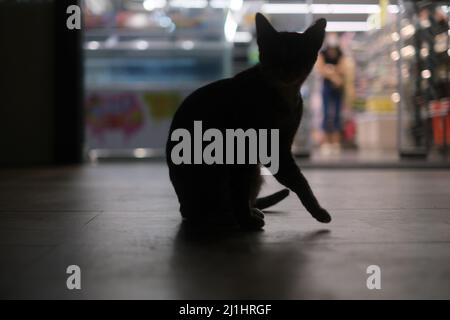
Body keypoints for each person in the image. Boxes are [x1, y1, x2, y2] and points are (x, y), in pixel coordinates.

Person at [316, 33, 345, 155]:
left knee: (338, 113)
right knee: (327, 112)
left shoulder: (340, 53)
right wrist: (334, 75)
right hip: (327, 86)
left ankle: (336, 142)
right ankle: (326, 142)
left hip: (338, 87)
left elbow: (343, 68)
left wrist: (331, 71)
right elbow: (321, 69)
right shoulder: (322, 54)